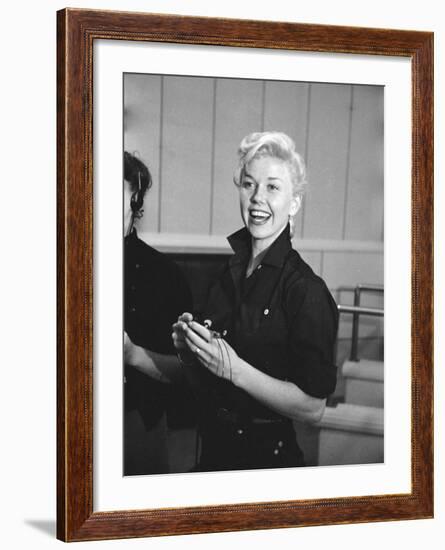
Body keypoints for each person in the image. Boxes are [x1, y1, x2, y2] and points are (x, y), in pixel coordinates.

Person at [172, 131, 338, 472]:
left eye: (273, 187)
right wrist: (191, 352)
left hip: (267, 463)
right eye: (249, 185)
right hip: (213, 453)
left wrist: (236, 371)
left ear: (294, 203)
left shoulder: (306, 290)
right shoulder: (226, 274)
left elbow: (314, 408)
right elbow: (206, 376)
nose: (257, 198)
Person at [123, 151, 193, 475]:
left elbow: (187, 370)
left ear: (135, 198)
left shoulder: (165, 274)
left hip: (140, 420)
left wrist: (131, 354)